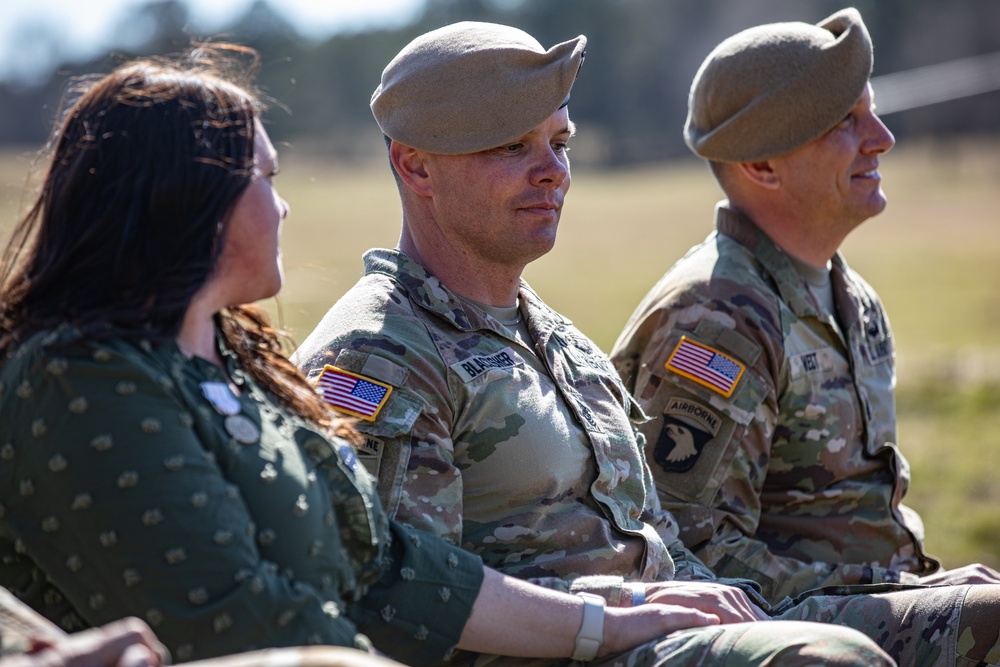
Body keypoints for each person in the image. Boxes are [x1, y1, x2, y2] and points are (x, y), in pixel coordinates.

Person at [0, 43, 778, 667]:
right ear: (180, 197)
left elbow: (398, 570)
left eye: (558, 142)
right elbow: (226, 622)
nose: (284, 203)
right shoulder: (82, 383)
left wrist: (606, 619)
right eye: (263, 177)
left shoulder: (230, 363)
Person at [291, 20, 912, 667]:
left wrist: (748, 605)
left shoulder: (559, 342)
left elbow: (660, 539)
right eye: (511, 146)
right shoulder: (376, 357)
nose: (552, 171)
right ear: (415, 164)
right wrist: (608, 613)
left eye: (559, 142)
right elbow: (396, 597)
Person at [611, 4, 1000, 662]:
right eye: (846, 122)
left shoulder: (845, 293)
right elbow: (694, 556)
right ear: (763, 165)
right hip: (777, 627)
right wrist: (907, 593)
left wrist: (921, 588)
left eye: (871, 112)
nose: (882, 137)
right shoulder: (718, 319)